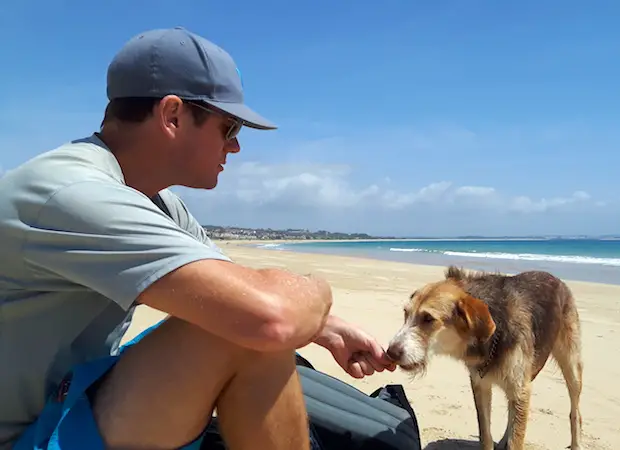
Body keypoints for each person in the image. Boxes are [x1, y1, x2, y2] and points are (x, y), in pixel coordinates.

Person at [0, 27, 395, 450]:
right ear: (172, 116)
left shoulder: (156, 201)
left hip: (71, 396)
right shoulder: (74, 193)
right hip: (25, 433)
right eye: (230, 127)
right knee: (244, 330)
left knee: (239, 318)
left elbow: (232, 283)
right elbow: (270, 315)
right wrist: (319, 291)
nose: (236, 147)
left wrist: (326, 328)